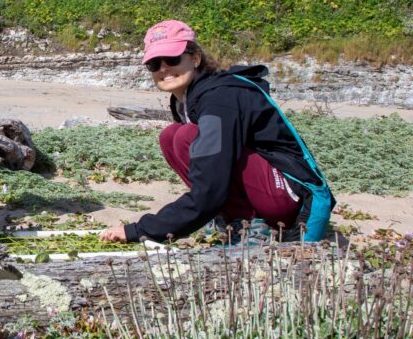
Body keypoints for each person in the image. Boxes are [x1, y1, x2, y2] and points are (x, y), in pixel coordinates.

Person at [99, 20, 335, 244]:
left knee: (185, 137)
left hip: (292, 198)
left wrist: (140, 230)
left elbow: (210, 188)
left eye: (172, 59)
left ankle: (251, 224)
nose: (164, 68)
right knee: (171, 137)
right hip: (270, 193)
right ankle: (237, 220)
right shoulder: (186, 99)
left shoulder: (219, 98)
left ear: (196, 58)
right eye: (154, 64)